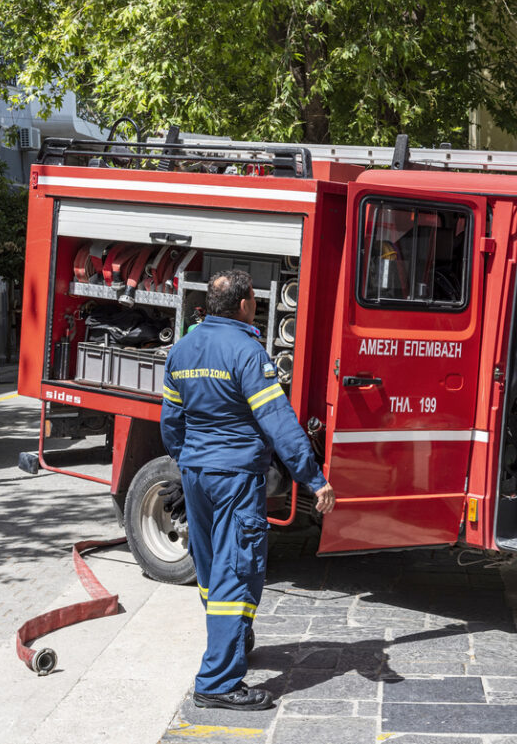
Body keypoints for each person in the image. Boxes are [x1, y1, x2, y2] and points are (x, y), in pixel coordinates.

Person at [159, 269, 335, 712]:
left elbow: (171, 422)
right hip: (235, 477)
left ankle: (232, 639)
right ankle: (217, 682)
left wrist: (188, 463)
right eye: (254, 300)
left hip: (198, 473)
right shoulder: (247, 352)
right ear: (243, 305)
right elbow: (278, 421)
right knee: (238, 569)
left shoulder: (183, 349)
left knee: (211, 564)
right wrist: (313, 477)